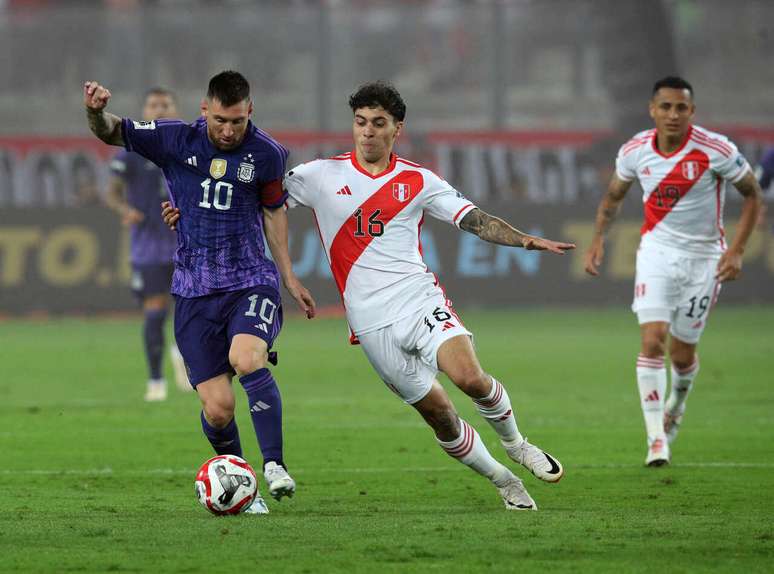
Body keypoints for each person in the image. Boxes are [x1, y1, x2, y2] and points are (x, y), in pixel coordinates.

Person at [165, 81, 574, 511]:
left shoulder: (418, 180)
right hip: (370, 324)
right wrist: (183, 210)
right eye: (361, 122)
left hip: (418, 300)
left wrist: (525, 240)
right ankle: (505, 481)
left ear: (397, 128)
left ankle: (518, 445)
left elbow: (472, 219)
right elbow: (254, 198)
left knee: (468, 377)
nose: (367, 132)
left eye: (379, 124)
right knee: (440, 416)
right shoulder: (320, 176)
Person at [84, 71, 316, 515]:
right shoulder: (174, 139)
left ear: (250, 113)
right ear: (204, 109)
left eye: (238, 121)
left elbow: (274, 214)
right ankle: (242, 483)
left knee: (246, 359)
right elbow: (112, 130)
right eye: (221, 120)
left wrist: (288, 276)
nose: (229, 131)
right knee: (219, 408)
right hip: (193, 291)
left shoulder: (267, 154)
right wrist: (94, 112)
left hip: (250, 279)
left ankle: (274, 465)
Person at [584, 76, 763, 466]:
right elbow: (613, 196)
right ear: (653, 110)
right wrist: (598, 239)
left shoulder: (716, 150)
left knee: (682, 357)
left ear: (692, 112)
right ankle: (656, 440)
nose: (673, 114)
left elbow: (753, 193)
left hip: (704, 261)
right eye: (665, 106)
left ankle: (676, 406)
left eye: (681, 107)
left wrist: (736, 250)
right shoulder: (635, 151)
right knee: (652, 340)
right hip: (657, 253)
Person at [104, 87, 189, 401]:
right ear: (144, 110)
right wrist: (125, 210)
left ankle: (184, 356)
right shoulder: (130, 151)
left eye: (165, 105)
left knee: (189, 311)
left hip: (186, 244)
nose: (160, 110)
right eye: (153, 105)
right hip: (149, 245)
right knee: (154, 313)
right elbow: (112, 192)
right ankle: (156, 381)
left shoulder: (187, 147)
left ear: (175, 110)